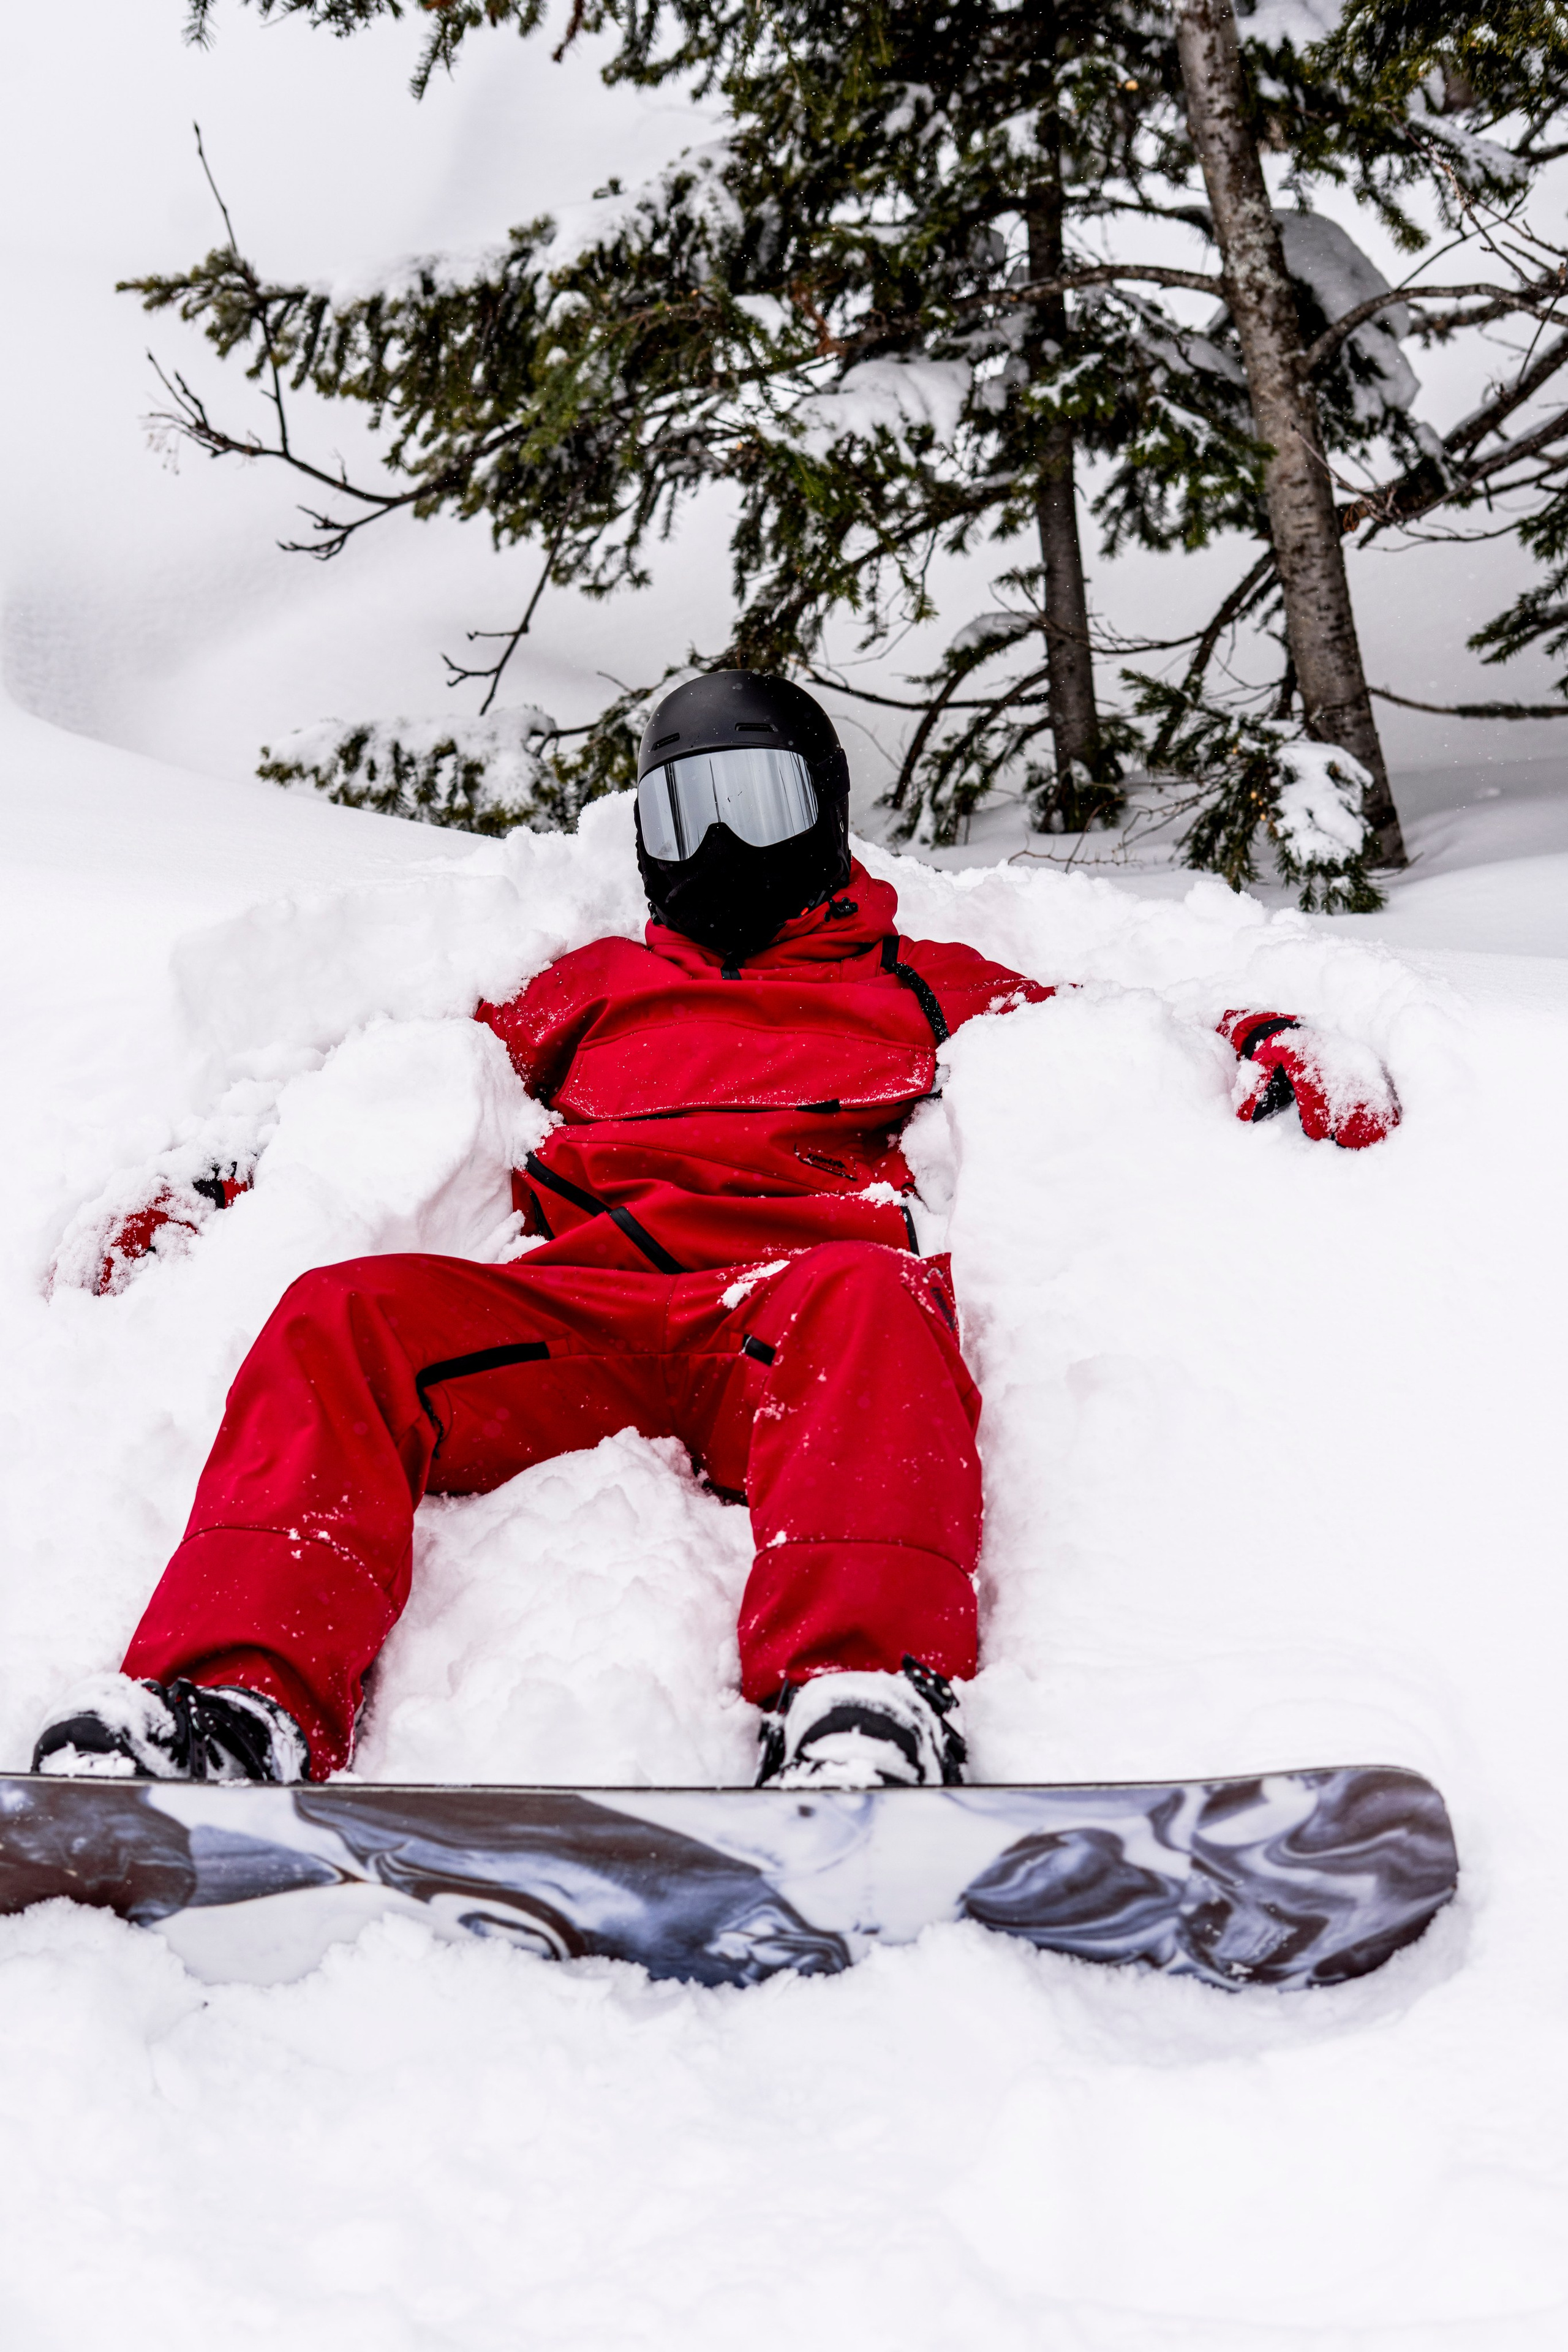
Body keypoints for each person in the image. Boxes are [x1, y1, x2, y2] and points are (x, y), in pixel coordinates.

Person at [31, 673, 1400, 1793]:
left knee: (873, 1294)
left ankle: (859, 1696)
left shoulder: (917, 975)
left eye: (757, 803)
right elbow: (379, 1075)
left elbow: (1107, 1026)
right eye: (688, 814)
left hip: (787, 1320)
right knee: (344, 1310)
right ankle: (233, 1701)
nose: (725, 849)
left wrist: (1254, 1037)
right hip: (577, 1319)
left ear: (822, 812)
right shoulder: (591, 987)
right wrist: (216, 1174)